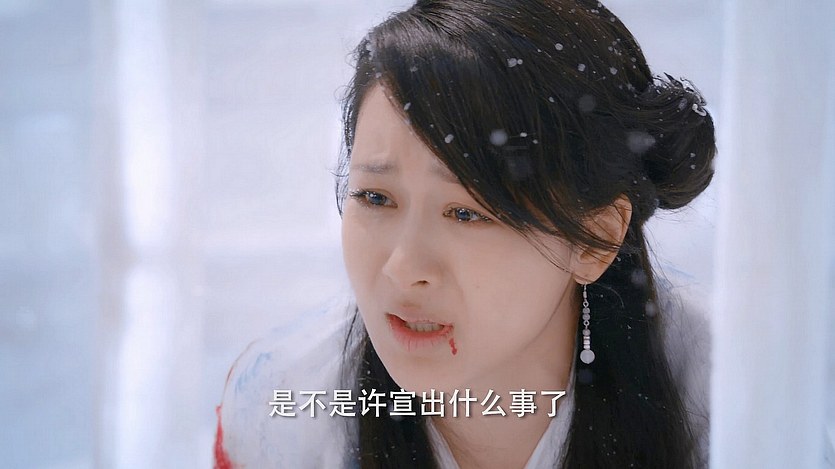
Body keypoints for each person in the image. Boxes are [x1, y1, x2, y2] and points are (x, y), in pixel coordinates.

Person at [214, 0, 716, 467]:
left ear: (594, 238)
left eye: (466, 213)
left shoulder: (727, 400)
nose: (403, 269)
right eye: (376, 198)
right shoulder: (279, 414)